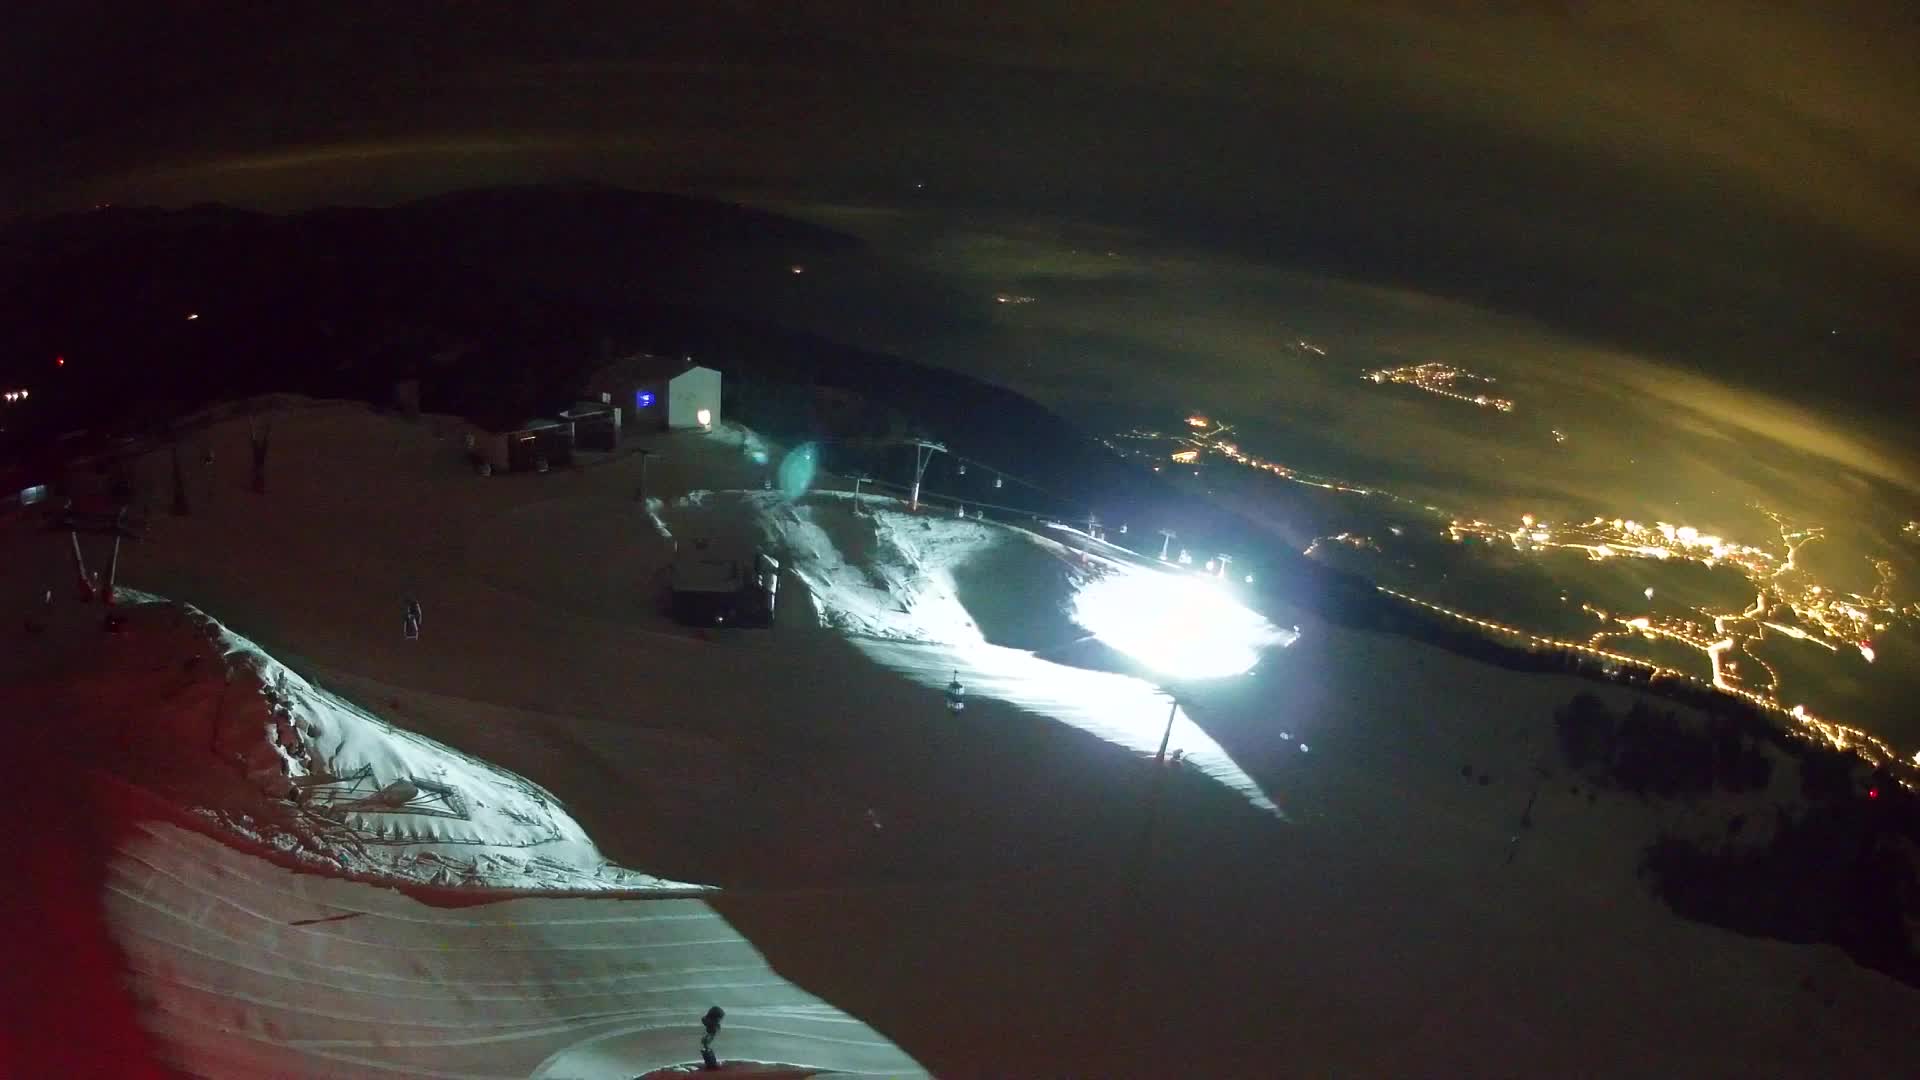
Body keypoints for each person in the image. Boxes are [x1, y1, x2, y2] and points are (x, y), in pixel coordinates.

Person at [700, 1005, 725, 1070]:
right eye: (719, 1018)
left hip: (709, 1034)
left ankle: (711, 1063)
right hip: (709, 1034)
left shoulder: (712, 1024)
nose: (720, 1020)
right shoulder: (713, 1026)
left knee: (707, 1047)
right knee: (707, 1048)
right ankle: (711, 1064)